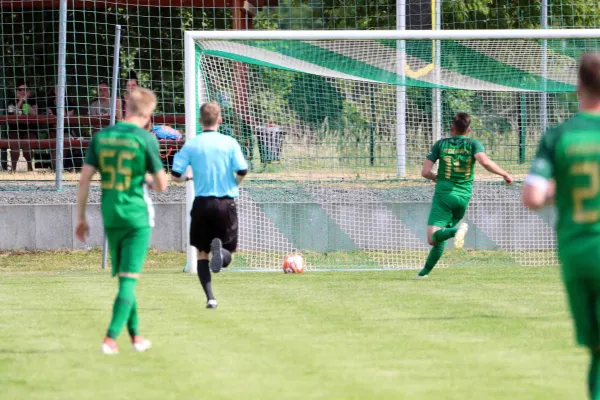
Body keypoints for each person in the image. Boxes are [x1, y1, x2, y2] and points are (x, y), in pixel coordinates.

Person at [522, 52, 600, 400]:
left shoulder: (557, 136)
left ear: (578, 86)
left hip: (576, 254)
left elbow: (533, 197)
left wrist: (563, 189)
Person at [75, 87, 168, 354]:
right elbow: (162, 185)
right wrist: (148, 179)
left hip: (111, 213)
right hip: (137, 215)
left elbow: (84, 180)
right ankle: (110, 338)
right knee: (129, 279)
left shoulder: (102, 136)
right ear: (148, 114)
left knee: (126, 277)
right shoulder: (145, 139)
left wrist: (81, 217)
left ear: (126, 107)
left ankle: (136, 337)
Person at [171, 101, 248, 309]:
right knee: (229, 252)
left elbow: (175, 175)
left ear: (199, 121)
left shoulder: (192, 144)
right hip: (226, 202)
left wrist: (187, 178)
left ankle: (210, 298)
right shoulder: (229, 143)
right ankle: (221, 255)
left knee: (201, 253)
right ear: (219, 120)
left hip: (202, 203)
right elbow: (242, 169)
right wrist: (234, 184)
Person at [417, 112, 513, 278]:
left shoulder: (440, 144)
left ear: (451, 128)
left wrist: (435, 177)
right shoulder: (473, 144)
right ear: (468, 130)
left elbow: (425, 172)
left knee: (433, 238)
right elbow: (485, 162)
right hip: (463, 198)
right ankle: (423, 274)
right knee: (441, 236)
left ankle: (457, 231)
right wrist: (504, 174)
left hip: (444, 196)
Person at [6, 80, 38, 172]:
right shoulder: (11, 101)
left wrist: (26, 103)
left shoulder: (33, 101)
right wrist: (20, 101)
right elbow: (12, 115)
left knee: (27, 143)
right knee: (14, 143)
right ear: (16, 91)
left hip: (30, 130)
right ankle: (13, 169)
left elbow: (35, 115)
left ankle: (29, 165)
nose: (22, 92)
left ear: (29, 91)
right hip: (15, 130)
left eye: (25, 89)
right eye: (20, 90)